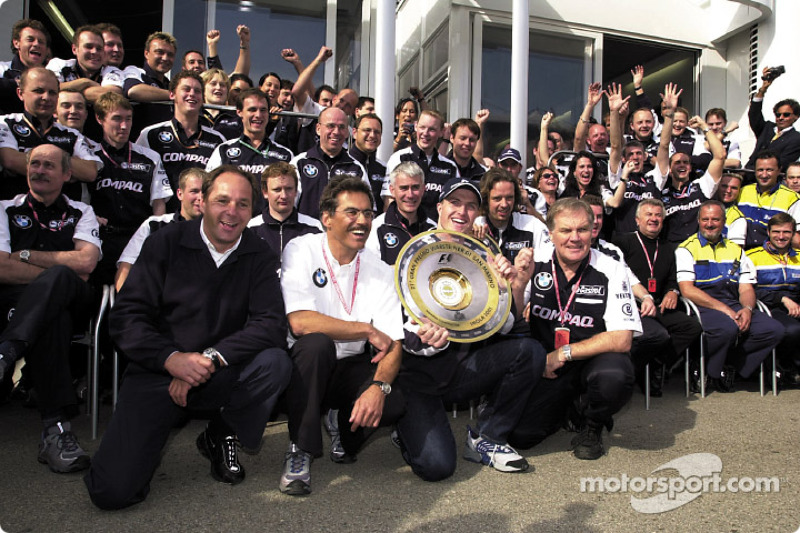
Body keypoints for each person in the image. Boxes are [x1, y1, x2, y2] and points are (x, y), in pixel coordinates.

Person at [85, 166, 292, 510]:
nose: (232, 211)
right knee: (111, 493)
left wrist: (210, 357)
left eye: (243, 204)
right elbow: (126, 317)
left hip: (220, 372)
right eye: (222, 200)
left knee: (275, 364)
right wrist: (171, 359)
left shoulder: (259, 253)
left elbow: (270, 324)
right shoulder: (164, 243)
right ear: (202, 201)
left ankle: (220, 431)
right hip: (158, 373)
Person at [394, 177, 546, 480]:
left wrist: (515, 285)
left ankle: (486, 437)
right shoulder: (413, 251)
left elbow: (505, 328)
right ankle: (406, 427)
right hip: (417, 378)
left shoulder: (484, 256)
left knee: (528, 351)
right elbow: (396, 329)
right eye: (455, 202)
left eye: (471, 205)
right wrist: (422, 340)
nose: (462, 211)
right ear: (439, 207)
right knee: (437, 467)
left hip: (463, 372)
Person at [278, 177, 405, 495]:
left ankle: (343, 431)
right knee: (317, 344)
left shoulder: (379, 269)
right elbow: (299, 322)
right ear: (326, 218)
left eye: (367, 213)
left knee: (394, 400)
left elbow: (394, 342)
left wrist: (378, 387)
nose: (362, 221)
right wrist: (365, 328)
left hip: (350, 367)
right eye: (352, 212)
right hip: (305, 366)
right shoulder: (302, 248)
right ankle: (300, 450)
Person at [507, 198, 640, 460]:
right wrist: (520, 283)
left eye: (582, 230)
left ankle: (593, 424)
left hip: (591, 360)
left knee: (616, 375)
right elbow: (510, 319)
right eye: (566, 231)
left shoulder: (611, 268)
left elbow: (623, 339)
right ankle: (567, 408)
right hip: (547, 366)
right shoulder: (537, 262)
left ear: (593, 231)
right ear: (551, 234)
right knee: (521, 436)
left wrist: (564, 353)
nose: (575, 238)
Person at [0, 144, 101, 474]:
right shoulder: (4, 210)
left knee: (61, 283)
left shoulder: (80, 212)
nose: (39, 170)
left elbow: (86, 263)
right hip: (16, 302)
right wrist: (58, 273)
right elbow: (1, 268)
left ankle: (8, 353)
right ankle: (56, 431)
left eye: (48, 166)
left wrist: (25, 256)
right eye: (35, 164)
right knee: (51, 316)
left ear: (67, 175)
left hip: (76, 301)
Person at [675, 201, 783, 393]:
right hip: (702, 305)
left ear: (723, 222)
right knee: (727, 328)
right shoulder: (686, 249)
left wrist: (748, 310)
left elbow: (746, 288)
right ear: (698, 221)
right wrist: (724, 310)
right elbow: (687, 290)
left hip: (733, 302)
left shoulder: (736, 250)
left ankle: (729, 363)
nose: (710, 224)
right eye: (705, 219)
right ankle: (706, 367)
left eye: (715, 219)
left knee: (772, 329)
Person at [613, 198, 703, 396]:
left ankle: (656, 364)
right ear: (637, 220)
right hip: (633, 305)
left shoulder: (669, 247)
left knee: (691, 327)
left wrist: (673, 291)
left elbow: (673, 279)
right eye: (649, 215)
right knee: (656, 335)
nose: (653, 219)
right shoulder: (623, 242)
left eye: (658, 215)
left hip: (660, 304)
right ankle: (637, 371)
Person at [90, 92, 172, 284]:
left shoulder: (150, 157)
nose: (124, 126)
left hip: (136, 237)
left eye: (128, 119)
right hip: (100, 237)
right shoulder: (89, 156)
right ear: (100, 119)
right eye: (117, 119)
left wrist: (156, 240)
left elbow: (159, 205)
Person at [0, 67, 101, 201]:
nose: (46, 97)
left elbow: (90, 172)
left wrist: (27, 162)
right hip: (13, 214)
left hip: (64, 218)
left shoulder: (71, 134)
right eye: (39, 91)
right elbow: (10, 160)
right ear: (20, 93)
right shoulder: (5, 122)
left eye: (52, 92)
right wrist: (66, 166)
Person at [136, 70, 226, 212]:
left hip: (201, 221)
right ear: (172, 94)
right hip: (162, 217)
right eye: (186, 89)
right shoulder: (150, 134)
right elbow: (139, 181)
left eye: (197, 91)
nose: (192, 94)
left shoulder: (217, 139)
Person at [115, 168, 205, 291]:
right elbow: (125, 270)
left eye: (205, 192)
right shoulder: (154, 225)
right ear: (180, 194)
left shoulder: (220, 232)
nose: (200, 197)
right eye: (194, 191)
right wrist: (129, 305)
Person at [746, 212, 800, 387]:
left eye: (786, 232)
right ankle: (782, 366)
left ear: (793, 234)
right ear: (768, 232)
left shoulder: (798, 256)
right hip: (769, 305)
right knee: (792, 330)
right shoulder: (752, 256)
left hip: (796, 302)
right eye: (777, 231)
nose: (781, 236)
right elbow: (748, 290)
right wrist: (781, 298)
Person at [290, 106, 367, 220]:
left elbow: (365, 209)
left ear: (347, 132)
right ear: (318, 129)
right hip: (307, 234)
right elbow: (289, 206)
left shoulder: (356, 168)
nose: (336, 132)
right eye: (330, 126)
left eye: (341, 127)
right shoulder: (299, 163)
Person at [383, 109, 458, 220]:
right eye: (422, 127)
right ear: (416, 126)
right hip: (405, 231)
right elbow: (389, 199)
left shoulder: (450, 166)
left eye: (432, 129)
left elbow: (455, 203)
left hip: (436, 233)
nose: (425, 133)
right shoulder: (398, 158)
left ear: (441, 132)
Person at [365, 161, 435, 265]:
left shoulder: (434, 229)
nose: (410, 195)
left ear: (423, 189)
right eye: (404, 188)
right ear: (392, 190)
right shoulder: (376, 228)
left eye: (415, 187)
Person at [247, 161, 321, 257]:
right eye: (277, 190)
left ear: (295, 191)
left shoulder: (314, 228)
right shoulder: (250, 229)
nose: (284, 196)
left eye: (289, 189)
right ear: (265, 192)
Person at [728, 151, 800, 250]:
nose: (764, 174)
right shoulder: (743, 191)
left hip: (772, 257)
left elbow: (796, 238)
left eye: (769, 170)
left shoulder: (792, 198)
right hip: (741, 253)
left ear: (779, 170)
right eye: (760, 170)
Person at [477, 167, 551, 264]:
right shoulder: (476, 226)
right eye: (497, 198)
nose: (504, 204)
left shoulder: (533, 225)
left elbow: (548, 262)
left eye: (509, 198)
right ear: (486, 199)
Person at [45, 25, 124, 104]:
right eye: (89, 46)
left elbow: (113, 96)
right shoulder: (58, 64)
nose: (94, 52)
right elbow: (48, 88)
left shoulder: (112, 71)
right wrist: (85, 82)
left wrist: (64, 90)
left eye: (99, 48)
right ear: (74, 49)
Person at [123, 31, 177, 138]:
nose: (165, 58)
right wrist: (175, 95)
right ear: (146, 53)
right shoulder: (135, 71)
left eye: (170, 54)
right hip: (139, 146)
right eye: (159, 52)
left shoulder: (170, 84)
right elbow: (134, 91)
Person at [745, 67, 800, 171]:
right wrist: (763, 88)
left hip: (770, 181)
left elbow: (783, 163)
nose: (781, 118)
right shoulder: (767, 128)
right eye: (778, 115)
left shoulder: (796, 138)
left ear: (796, 117)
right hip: (748, 173)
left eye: (786, 115)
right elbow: (754, 114)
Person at [0, 19, 51, 114]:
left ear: (47, 50)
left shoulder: (54, 74)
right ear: (16, 43)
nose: (36, 44)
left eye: (41, 42)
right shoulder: (2, 68)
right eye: (30, 39)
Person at [349, 113, 386, 213]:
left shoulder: (384, 168)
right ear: (354, 133)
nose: (372, 135)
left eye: (377, 132)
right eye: (367, 130)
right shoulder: (342, 164)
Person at [200, 68, 242, 140]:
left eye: (222, 85)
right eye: (213, 84)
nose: (218, 87)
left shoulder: (237, 118)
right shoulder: (195, 115)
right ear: (203, 89)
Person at [447, 118, 487, 182]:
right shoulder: (440, 168)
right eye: (463, 138)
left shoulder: (483, 174)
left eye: (472, 140)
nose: (467, 143)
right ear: (451, 138)